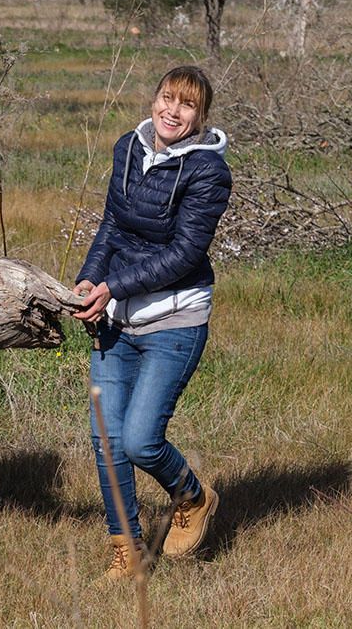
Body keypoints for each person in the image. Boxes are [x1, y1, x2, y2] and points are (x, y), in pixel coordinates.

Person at [73, 66, 232, 579]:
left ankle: (193, 496)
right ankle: (128, 548)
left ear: (200, 116)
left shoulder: (208, 172)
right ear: (154, 98)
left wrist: (112, 287)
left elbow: (186, 253)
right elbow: (112, 225)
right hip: (116, 319)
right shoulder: (128, 147)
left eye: (186, 105)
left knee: (141, 440)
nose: (172, 111)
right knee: (106, 439)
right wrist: (88, 281)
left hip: (175, 319)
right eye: (167, 98)